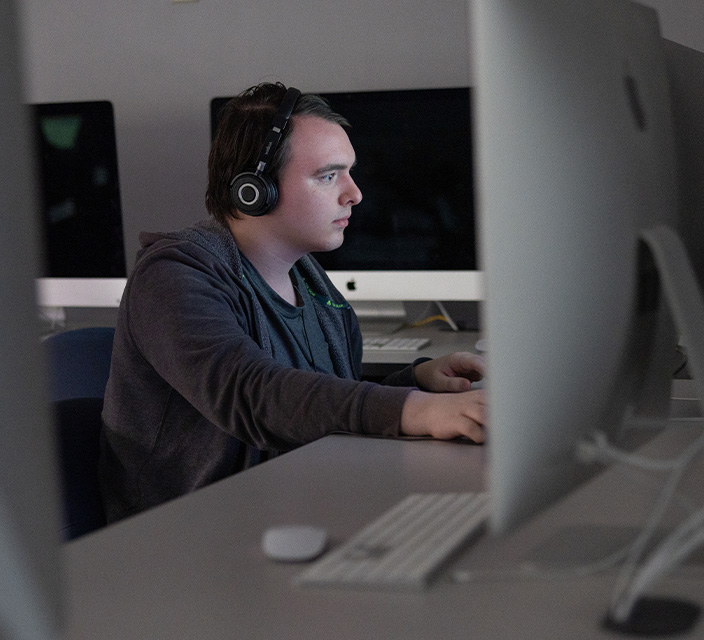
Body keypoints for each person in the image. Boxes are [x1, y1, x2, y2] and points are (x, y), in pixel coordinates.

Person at [99, 83, 486, 523]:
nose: (354, 194)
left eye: (349, 172)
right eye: (328, 176)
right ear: (254, 189)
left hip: (298, 506)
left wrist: (413, 382)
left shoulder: (308, 278)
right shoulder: (174, 276)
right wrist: (415, 410)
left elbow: (309, 398)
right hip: (190, 534)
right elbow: (252, 393)